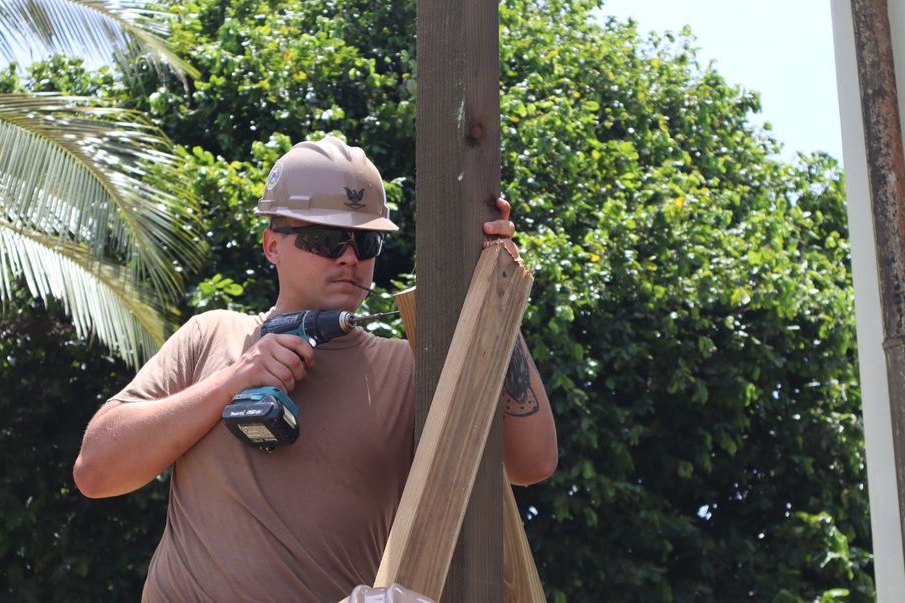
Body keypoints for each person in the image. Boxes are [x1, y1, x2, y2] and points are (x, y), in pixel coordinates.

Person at [72, 136, 558, 603]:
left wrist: (494, 284)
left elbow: (532, 463)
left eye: (366, 243)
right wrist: (233, 380)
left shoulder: (407, 368)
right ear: (271, 245)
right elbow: (96, 471)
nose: (349, 257)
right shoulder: (212, 337)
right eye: (326, 240)